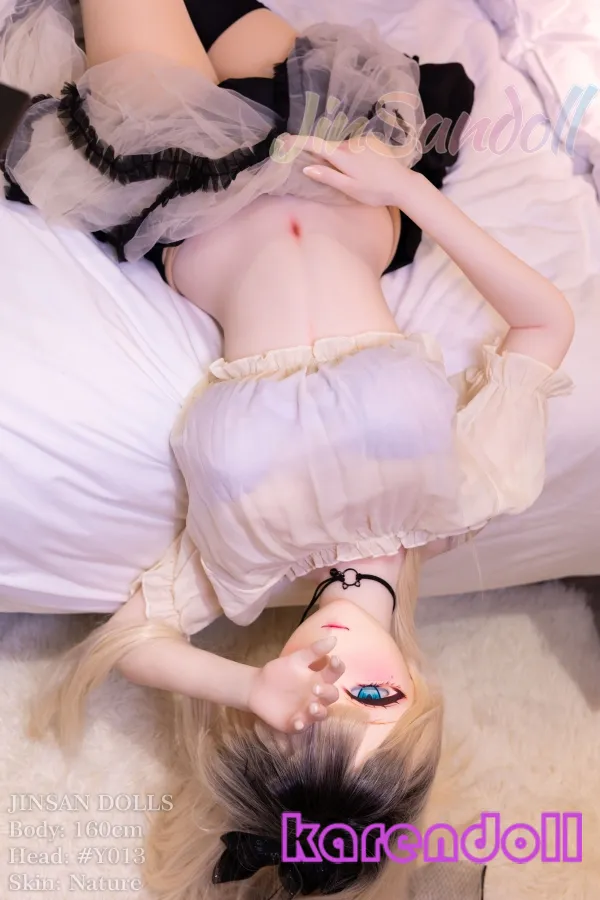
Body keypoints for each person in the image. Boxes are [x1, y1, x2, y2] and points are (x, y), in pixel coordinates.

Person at [1, 1, 574, 898]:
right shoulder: (468, 495)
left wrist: (247, 689)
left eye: (307, 710)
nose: (335, 673)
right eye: (374, 699)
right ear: (420, 693)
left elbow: (133, 641)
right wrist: (410, 194)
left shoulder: (244, 564)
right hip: (330, 147)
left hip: (188, 168)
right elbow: (546, 324)